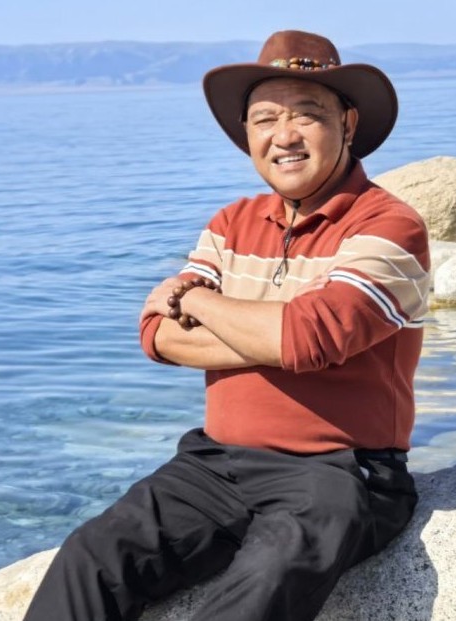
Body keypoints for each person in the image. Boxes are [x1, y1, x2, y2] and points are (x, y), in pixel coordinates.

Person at [22, 29, 430, 621]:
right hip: (214, 465)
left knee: (266, 578)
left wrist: (199, 300)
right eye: (264, 119)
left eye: (306, 114)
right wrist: (278, 332)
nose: (283, 136)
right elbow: (158, 335)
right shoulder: (231, 222)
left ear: (347, 123)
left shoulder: (389, 225)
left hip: (342, 471)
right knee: (91, 557)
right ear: (247, 134)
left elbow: (309, 338)